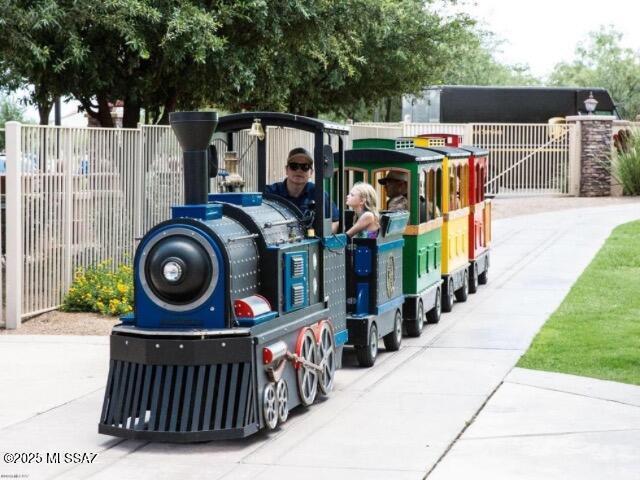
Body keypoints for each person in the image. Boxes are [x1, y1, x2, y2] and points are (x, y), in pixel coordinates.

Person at [264, 147, 339, 233]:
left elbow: (335, 221)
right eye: (294, 166)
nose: (299, 170)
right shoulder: (270, 192)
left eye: (305, 167)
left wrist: (319, 239)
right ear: (286, 170)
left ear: (311, 172)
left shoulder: (319, 194)